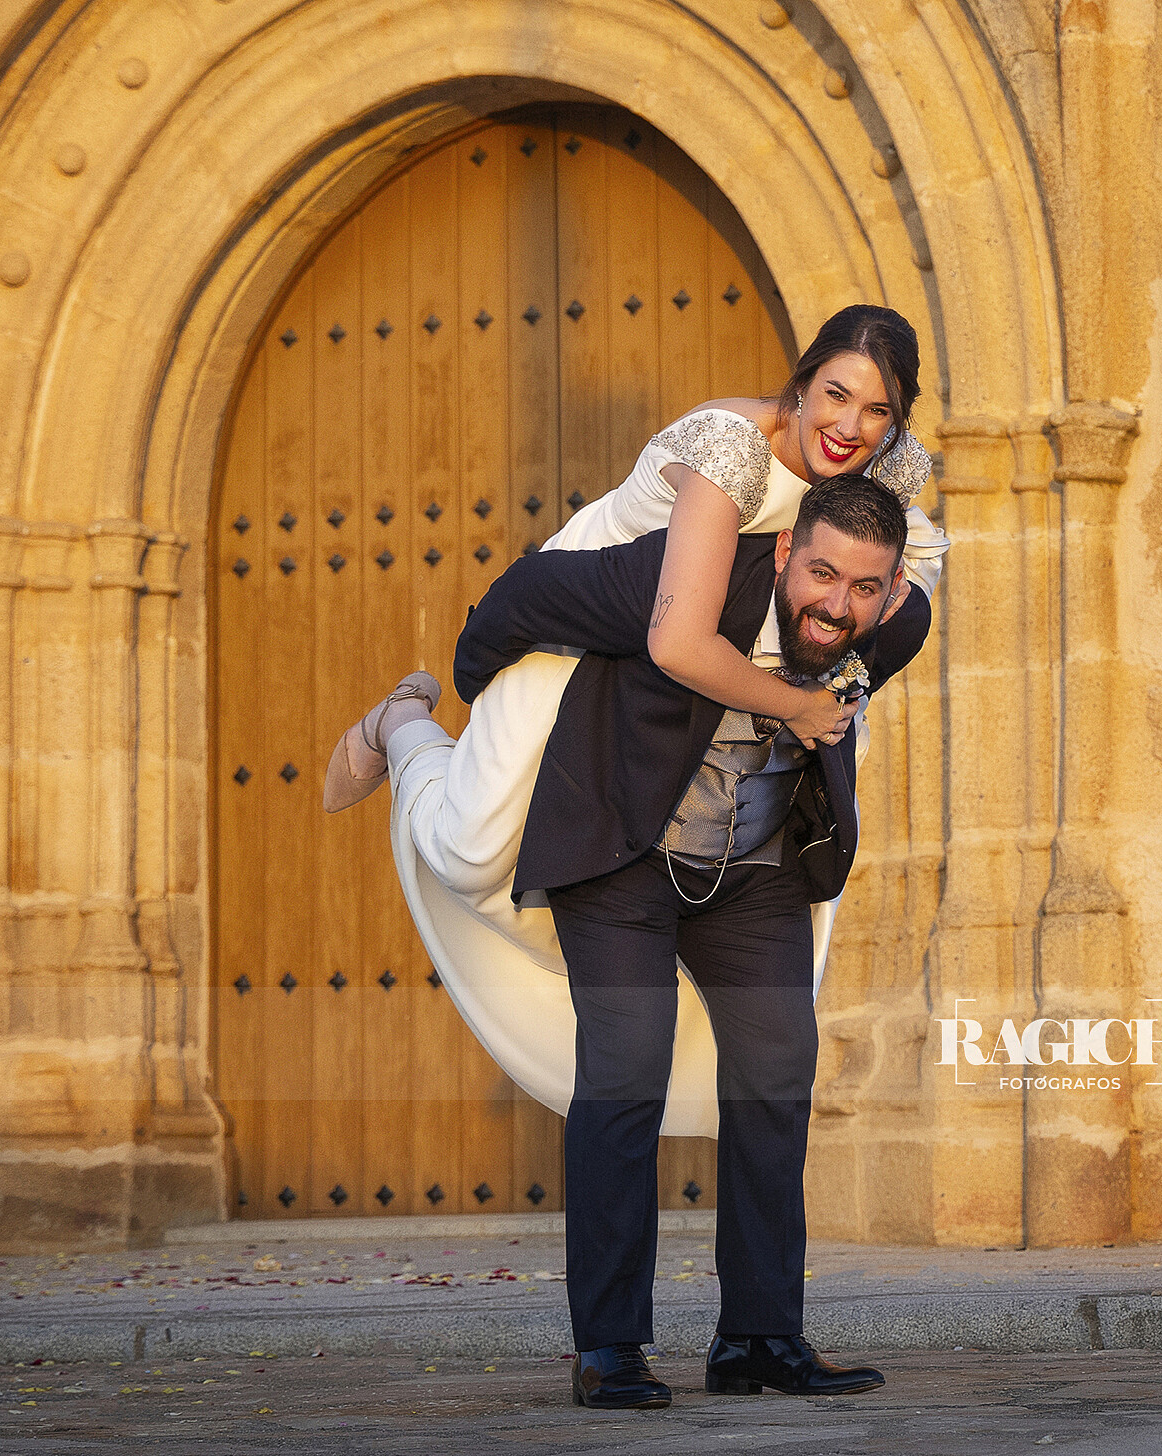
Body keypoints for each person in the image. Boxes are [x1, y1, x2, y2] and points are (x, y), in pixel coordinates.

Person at [319, 305, 949, 1407]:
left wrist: (867, 643)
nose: (848, 421)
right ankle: (606, 1345)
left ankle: (757, 1338)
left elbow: (909, 595)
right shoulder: (691, 533)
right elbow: (561, 607)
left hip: (745, 866)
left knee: (777, 1077)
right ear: (795, 395)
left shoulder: (867, 561)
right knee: (614, 1057)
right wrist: (467, 665)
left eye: (875, 408)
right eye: (832, 394)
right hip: (617, 830)